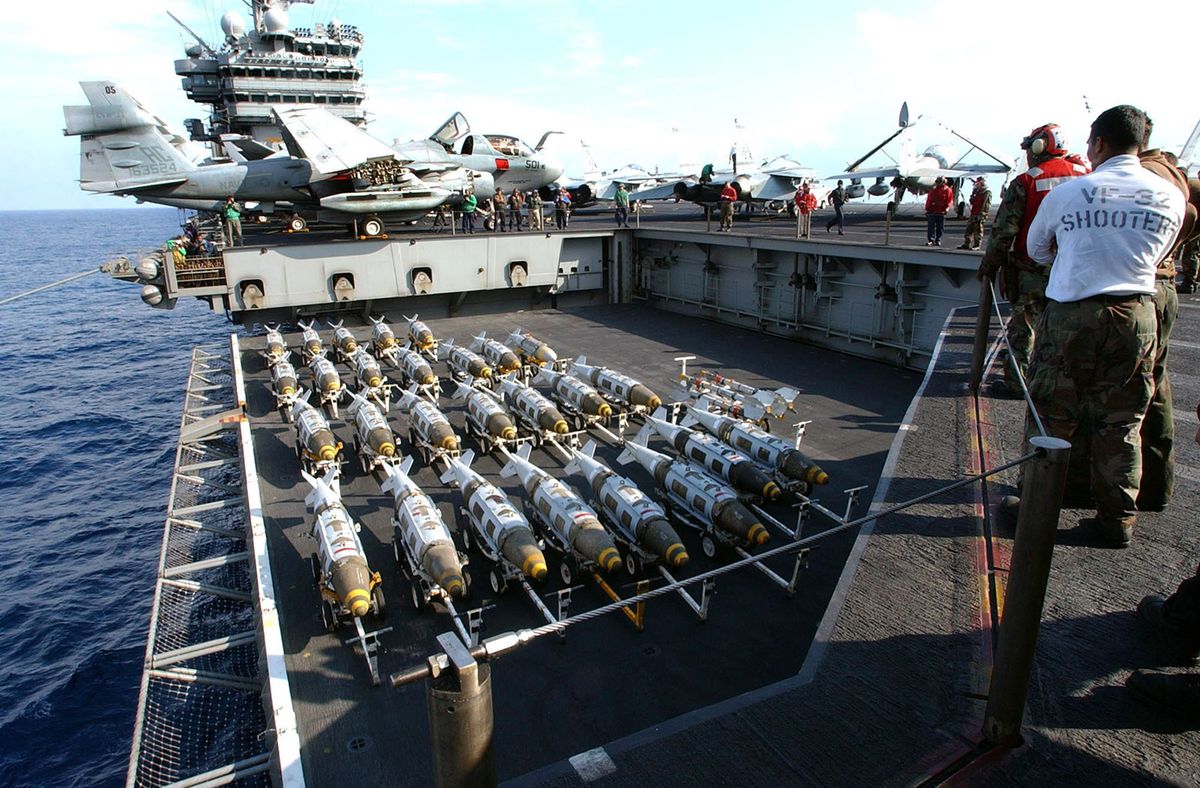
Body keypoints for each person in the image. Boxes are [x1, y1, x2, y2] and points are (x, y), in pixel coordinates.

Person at [1018, 104, 1184, 547]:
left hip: (1073, 313)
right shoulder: (1171, 196)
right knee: (1123, 423)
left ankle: (1036, 506)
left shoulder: (1069, 193)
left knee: (1050, 416)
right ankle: (1116, 521)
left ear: (1099, 143)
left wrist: (1076, 264)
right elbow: (1163, 250)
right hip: (1136, 314)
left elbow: (1037, 250)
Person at [978, 124, 1089, 399]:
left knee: (1024, 326)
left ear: (1039, 147)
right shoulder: (1086, 175)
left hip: (1034, 269)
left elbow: (1005, 231)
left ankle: (1018, 382)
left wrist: (990, 266)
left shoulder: (1027, 181)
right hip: (1078, 268)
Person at [1135, 134, 1196, 511]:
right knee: (1155, 388)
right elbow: (1189, 215)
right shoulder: (1174, 173)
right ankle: (1156, 486)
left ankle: (1092, 490)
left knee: (1116, 398)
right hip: (1164, 283)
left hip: (1138, 287)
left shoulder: (1146, 173)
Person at [959, 178, 992, 250]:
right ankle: (966, 243)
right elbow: (972, 201)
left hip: (980, 214)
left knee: (978, 230)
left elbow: (986, 204)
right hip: (974, 213)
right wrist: (973, 194)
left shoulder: (987, 192)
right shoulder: (977, 192)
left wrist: (983, 214)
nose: (976, 184)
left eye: (978, 183)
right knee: (969, 229)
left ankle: (977, 245)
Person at [923, 177, 953, 245]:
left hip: (941, 211)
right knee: (931, 227)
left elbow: (949, 200)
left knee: (940, 227)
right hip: (932, 211)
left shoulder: (947, 190)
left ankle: (938, 239)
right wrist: (927, 209)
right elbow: (929, 200)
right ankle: (931, 240)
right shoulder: (933, 189)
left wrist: (947, 208)